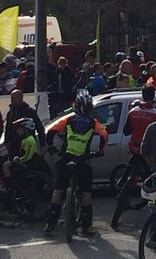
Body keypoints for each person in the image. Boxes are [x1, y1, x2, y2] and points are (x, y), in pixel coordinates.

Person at [44, 91, 108, 236]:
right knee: (86, 193)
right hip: (83, 159)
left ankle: (51, 223)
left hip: (65, 157)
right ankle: (87, 226)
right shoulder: (94, 123)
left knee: (58, 189)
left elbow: (51, 132)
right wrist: (100, 150)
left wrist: (51, 147)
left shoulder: (68, 120)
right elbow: (104, 135)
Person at [123, 85, 156, 174]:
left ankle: (124, 177)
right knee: (149, 172)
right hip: (149, 148)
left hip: (134, 145)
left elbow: (126, 131)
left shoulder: (133, 112)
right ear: (153, 97)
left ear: (142, 95)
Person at [5, 89, 45, 157]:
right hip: (13, 145)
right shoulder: (10, 113)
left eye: (14, 98)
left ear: (20, 98)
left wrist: (42, 144)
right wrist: (6, 142)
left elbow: (39, 127)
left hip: (27, 143)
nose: (12, 100)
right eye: (11, 98)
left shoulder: (29, 111)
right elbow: (8, 128)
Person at [2, 118, 42, 187]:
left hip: (27, 163)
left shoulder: (28, 140)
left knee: (6, 165)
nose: (18, 130)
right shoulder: (26, 139)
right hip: (26, 162)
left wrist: (19, 160)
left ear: (26, 129)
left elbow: (28, 155)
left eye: (19, 128)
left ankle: (8, 185)